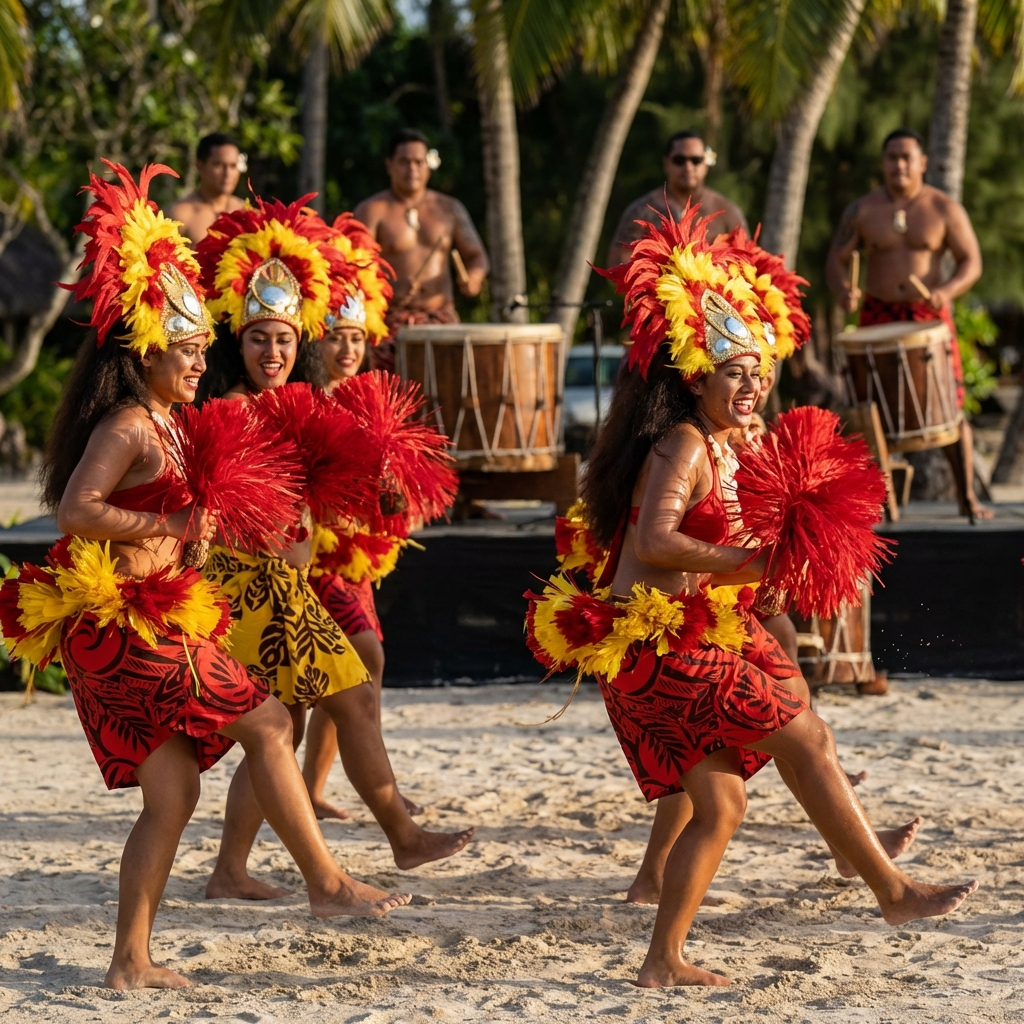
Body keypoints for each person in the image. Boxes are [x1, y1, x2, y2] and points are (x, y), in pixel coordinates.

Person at [527, 206, 976, 987]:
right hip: (656, 649)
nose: (752, 383)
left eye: (758, 371)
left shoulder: (727, 445)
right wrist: (750, 553)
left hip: (681, 642)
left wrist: (793, 557)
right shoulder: (681, 444)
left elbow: (722, 563)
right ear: (698, 375)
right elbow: (658, 544)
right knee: (803, 737)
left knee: (726, 803)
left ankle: (662, 961)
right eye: (735, 372)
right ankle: (890, 889)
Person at [0, 163, 410, 990]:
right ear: (145, 354)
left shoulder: (174, 422)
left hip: (158, 620)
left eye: (199, 350)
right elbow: (76, 512)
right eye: (184, 352)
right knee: (265, 723)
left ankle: (129, 963)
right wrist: (173, 525)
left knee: (173, 794)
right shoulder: (127, 424)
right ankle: (326, 884)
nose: (199, 362)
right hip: (126, 627)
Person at [195, 195, 473, 899]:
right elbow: (217, 509)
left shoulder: (307, 406)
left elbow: (333, 491)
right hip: (247, 587)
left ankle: (230, 871)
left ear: (301, 342)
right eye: (259, 338)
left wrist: (379, 489)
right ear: (239, 341)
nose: (273, 352)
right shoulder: (226, 410)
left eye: (284, 339)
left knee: (283, 728)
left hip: (286, 585)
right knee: (345, 694)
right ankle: (397, 841)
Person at [296, 212, 422, 818]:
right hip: (313, 555)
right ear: (313, 341)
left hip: (358, 557)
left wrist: (394, 495)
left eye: (354, 337)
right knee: (363, 658)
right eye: (333, 337)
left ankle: (315, 790)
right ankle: (378, 792)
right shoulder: (306, 400)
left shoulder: (372, 396)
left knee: (343, 675)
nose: (346, 348)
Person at [825, 127, 989, 520]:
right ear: (882, 163)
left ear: (923, 163)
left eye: (906, 157)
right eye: (891, 157)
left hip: (927, 316)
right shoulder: (862, 211)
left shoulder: (944, 209)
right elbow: (836, 259)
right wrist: (844, 289)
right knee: (869, 413)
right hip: (877, 316)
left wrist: (947, 290)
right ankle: (870, 503)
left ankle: (966, 496)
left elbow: (972, 262)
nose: (899, 164)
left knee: (951, 406)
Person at [354, 128, 489, 372]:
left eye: (419, 162)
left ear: (428, 165)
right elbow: (353, 268)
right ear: (389, 165)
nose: (412, 169)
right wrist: (389, 289)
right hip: (390, 322)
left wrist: (474, 278)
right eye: (404, 162)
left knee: (449, 397)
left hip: (441, 318)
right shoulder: (372, 211)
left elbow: (476, 255)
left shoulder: (449, 209)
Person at [607, 130, 747, 268]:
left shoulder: (727, 212)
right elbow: (618, 262)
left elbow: (748, 262)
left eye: (696, 160)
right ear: (666, 163)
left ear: (706, 164)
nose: (688, 167)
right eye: (679, 160)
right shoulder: (641, 211)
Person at [168, 133, 246, 247]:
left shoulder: (246, 212)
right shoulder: (181, 215)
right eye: (218, 165)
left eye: (233, 166)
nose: (228, 174)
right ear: (200, 166)